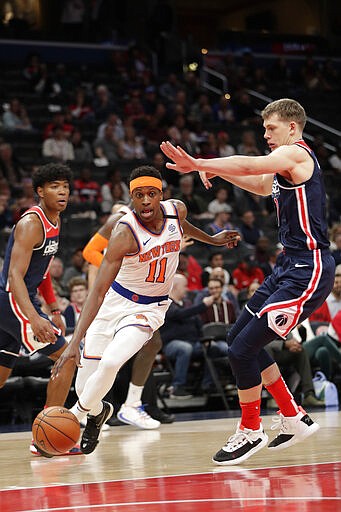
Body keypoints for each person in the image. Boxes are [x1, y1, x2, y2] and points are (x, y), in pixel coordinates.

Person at [160, 97, 336, 465]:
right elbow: (259, 183)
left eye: (271, 128)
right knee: (234, 339)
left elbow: (254, 163)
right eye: (264, 128)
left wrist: (200, 163)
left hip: (309, 269)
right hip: (288, 265)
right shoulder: (285, 168)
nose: (266, 135)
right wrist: (219, 172)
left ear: (292, 127)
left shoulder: (298, 154)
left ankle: (251, 428)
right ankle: (293, 416)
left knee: (242, 350)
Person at [52, 165, 240, 456]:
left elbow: (183, 228)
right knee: (86, 383)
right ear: (131, 197)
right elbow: (98, 290)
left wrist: (213, 239)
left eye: (151, 194)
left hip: (149, 308)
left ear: (161, 194)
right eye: (139, 195)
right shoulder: (124, 233)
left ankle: (74, 419)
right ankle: (96, 413)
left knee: (112, 362)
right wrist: (74, 342)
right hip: (113, 302)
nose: (146, 201)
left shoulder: (177, 210)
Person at [0, 163, 81, 456]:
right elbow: (14, 276)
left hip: (16, 302)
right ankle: (44, 439)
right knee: (69, 356)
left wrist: (53, 307)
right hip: (12, 300)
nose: (62, 192)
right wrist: (34, 318)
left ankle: (45, 434)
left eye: (65, 187)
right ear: (40, 191)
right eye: (54, 186)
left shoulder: (55, 221)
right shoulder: (31, 223)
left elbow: (43, 269)